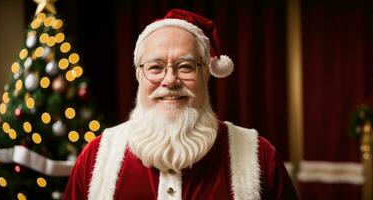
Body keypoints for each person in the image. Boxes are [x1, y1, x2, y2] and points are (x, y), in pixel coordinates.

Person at [63, 9, 298, 200]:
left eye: (185, 66)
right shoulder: (95, 157)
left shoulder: (261, 156)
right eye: (155, 67)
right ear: (138, 75)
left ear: (205, 73)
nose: (169, 80)